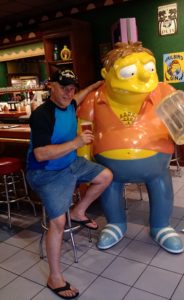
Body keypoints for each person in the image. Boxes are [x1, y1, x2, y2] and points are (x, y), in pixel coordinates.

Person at [77, 41, 184, 254]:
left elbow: (182, 123)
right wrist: (85, 161)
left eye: (150, 69)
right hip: (109, 168)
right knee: (110, 184)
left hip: (156, 163)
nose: (145, 77)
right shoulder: (94, 98)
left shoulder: (163, 92)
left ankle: (161, 225)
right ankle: (115, 223)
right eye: (129, 72)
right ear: (106, 74)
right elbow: (84, 130)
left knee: (160, 181)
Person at [26, 69, 113, 299]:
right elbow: (41, 154)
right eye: (63, 87)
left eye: (72, 87)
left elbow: (79, 96)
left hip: (70, 165)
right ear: (50, 86)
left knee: (105, 176)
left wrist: (95, 84)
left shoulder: (71, 103)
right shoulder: (42, 115)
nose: (68, 92)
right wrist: (76, 142)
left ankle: (79, 211)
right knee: (57, 222)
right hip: (45, 173)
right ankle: (54, 278)